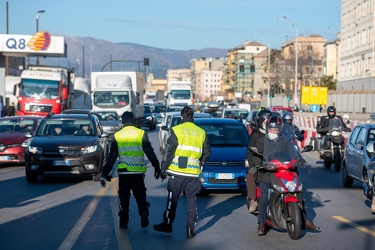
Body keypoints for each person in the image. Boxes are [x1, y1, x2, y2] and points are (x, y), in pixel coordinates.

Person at [153, 106, 211, 238]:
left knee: (172, 200)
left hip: (177, 173)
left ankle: (167, 224)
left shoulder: (176, 130)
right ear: (193, 117)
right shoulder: (201, 132)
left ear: (182, 117)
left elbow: (169, 152)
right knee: (192, 201)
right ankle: (190, 229)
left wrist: (163, 169)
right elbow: (207, 153)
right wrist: (200, 163)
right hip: (193, 175)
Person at [257, 115, 319, 235]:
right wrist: (261, 163)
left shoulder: (285, 140)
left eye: (275, 130)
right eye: (271, 130)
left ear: (280, 130)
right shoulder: (262, 141)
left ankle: (305, 220)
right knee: (264, 195)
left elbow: (293, 153)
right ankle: (261, 223)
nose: (273, 132)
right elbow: (255, 155)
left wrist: (299, 159)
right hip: (266, 173)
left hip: (283, 170)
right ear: (267, 129)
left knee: (298, 193)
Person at [102, 111, 161, 229]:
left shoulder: (117, 135)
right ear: (133, 120)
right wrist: (156, 166)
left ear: (122, 121)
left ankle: (123, 221)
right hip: (138, 172)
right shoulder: (141, 133)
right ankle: (144, 212)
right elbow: (149, 151)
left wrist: (105, 172)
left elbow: (112, 157)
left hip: (124, 172)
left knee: (124, 197)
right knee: (140, 194)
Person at [245, 109, 272, 214]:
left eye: (269, 121)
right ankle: (253, 200)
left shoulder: (276, 133)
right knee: (251, 176)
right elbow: (249, 152)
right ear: (261, 122)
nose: (267, 124)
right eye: (265, 122)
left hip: (274, 164)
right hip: (259, 164)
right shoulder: (256, 134)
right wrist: (252, 165)